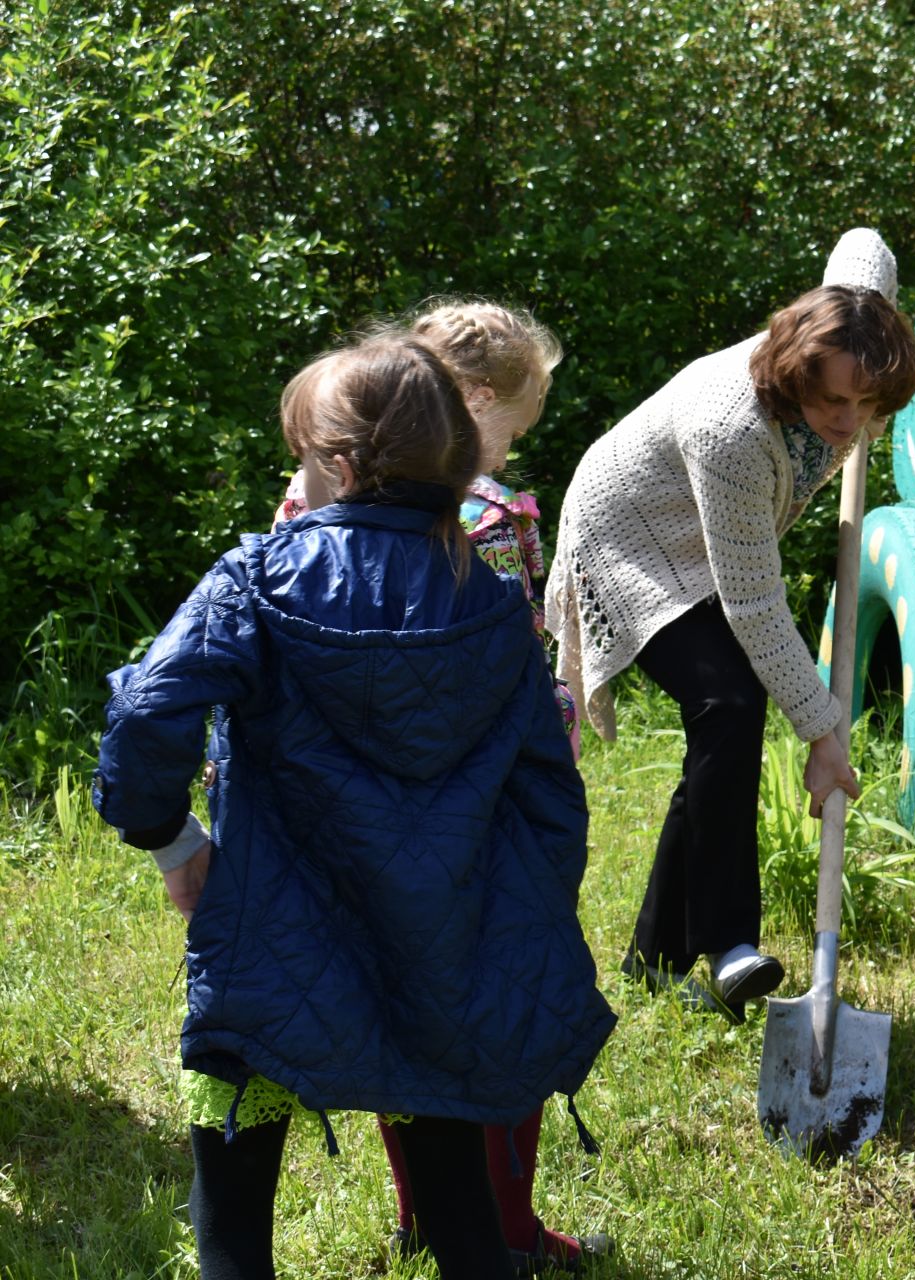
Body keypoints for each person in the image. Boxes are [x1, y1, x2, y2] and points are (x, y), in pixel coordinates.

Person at [93, 333, 616, 1280]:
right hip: (443, 948)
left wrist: (172, 842)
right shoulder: (491, 603)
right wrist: (517, 908)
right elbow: (549, 791)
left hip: (267, 938)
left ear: (337, 462)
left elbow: (143, 708)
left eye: (301, 455)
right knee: (460, 1199)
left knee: (234, 1217)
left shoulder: (254, 580)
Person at [272, 300, 601, 1270]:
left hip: (363, 816)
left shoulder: (313, 504)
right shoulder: (493, 520)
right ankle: (503, 1226)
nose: (502, 451)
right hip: (486, 817)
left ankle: (427, 1211)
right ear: (470, 404)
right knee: (506, 1017)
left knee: (405, 1024)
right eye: (505, 431)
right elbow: (517, 678)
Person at [547, 229, 915, 1012]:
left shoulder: (862, 352)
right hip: (627, 535)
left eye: (868, 404)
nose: (850, 422)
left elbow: (862, 253)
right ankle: (729, 946)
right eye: (832, 402)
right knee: (727, 702)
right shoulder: (733, 428)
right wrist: (824, 734)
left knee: (725, 718)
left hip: (703, 532)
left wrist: (870, 267)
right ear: (794, 375)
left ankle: (653, 960)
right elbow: (755, 606)